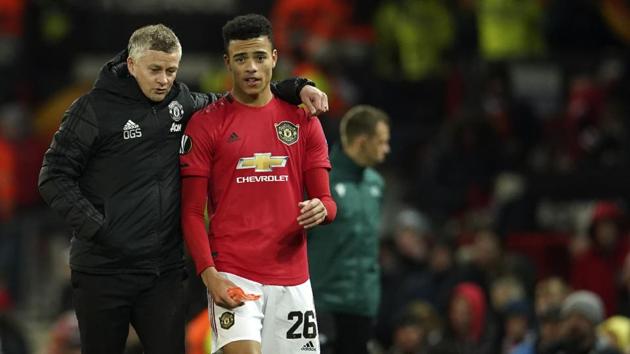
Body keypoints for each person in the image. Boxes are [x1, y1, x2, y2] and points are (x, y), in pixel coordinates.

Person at [38, 23, 328, 354]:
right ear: (132, 65)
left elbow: (238, 99)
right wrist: (100, 228)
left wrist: (296, 87)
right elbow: (53, 175)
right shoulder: (92, 110)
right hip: (103, 270)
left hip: (162, 271)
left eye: (171, 71)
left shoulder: (183, 102)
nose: (164, 80)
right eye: (155, 70)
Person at [179, 14, 337, 354]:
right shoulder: (206, 125)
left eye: (259, 57)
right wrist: (210, 275)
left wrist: (322, 208)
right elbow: (192, 211)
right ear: (228, 62)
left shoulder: (303, 121)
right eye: (241, 59)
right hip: (234, 272)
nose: (251, 67)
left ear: (274, 59)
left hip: (293, 277)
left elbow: (327, 200)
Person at [306, 104, 390, 354]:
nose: (387, 149)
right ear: (362, 141)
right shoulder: (320, 179)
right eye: (382, 142)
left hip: (363, 304)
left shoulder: (376, 184)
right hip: (322, 303)